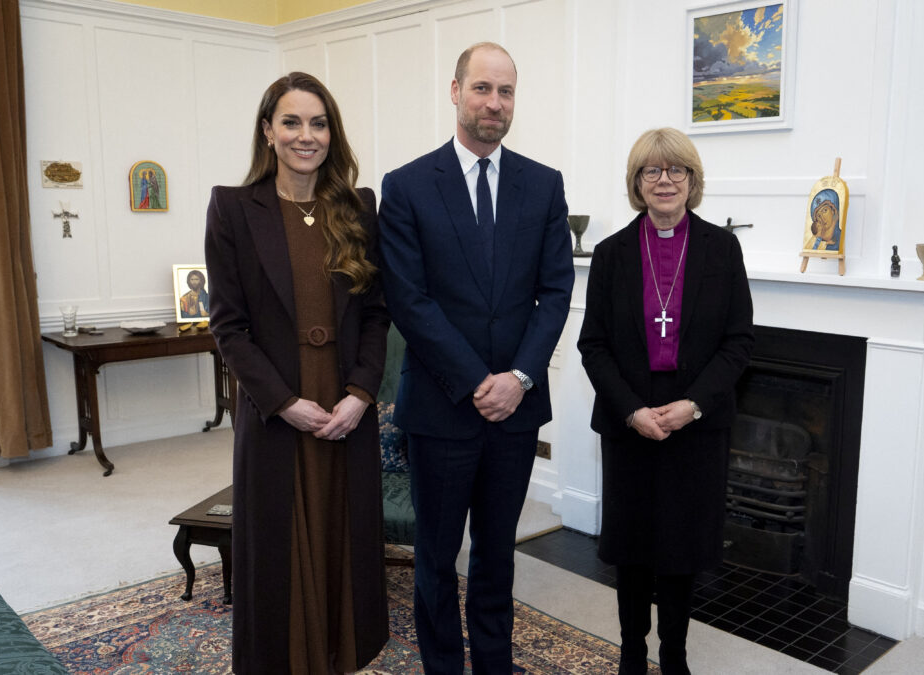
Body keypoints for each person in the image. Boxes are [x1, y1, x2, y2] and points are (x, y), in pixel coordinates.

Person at [378, 42, 574, 674]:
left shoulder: (543, 185)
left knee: (497, 553)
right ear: (456, 90)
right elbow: (410, 300)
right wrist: (474, 381)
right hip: (441, 409)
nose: (495, 103)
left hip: (515, 413)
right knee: (436, 558)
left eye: (506, 92)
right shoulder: (406, 186)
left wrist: (518, 378)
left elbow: (555, 292)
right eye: (483, 88)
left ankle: (493, 664)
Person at [205, 72, 390, 674]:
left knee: (344, 535)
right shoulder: (233, 208)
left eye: (318, 123)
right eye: (291, 122)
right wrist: (283, 402)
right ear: (268, 131)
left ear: (331, 134)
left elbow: (376, 314)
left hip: (345, 408)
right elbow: (229, 327)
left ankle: (339, 655)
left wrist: (361, 394)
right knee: (279, 543)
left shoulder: (358, 208)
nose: (305, 135)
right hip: (276, 410)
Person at [577, 127, 754, 675]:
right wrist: (632, 410)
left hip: (693, 421)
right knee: (632, 550)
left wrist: (692, 405)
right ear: (637, 182)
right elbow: (594, 344)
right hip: (630, 418)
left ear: (693, 180)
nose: (665, 180)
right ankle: (633, 654)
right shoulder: (609, 254)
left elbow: (739, 340)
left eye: (676, 170)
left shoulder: (722, 248)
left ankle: (674, 657)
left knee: (681, 550)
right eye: (651, 171)